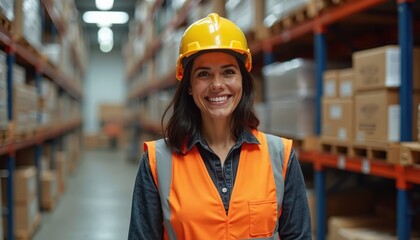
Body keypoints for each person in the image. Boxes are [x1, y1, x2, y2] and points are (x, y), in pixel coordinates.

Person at [128, 13, 312, 240]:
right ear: (189, 86)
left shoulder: (280, 156)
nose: (217, 85)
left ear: (242, 81)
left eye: (228, 72)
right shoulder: (158, 162)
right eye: (204, 74)